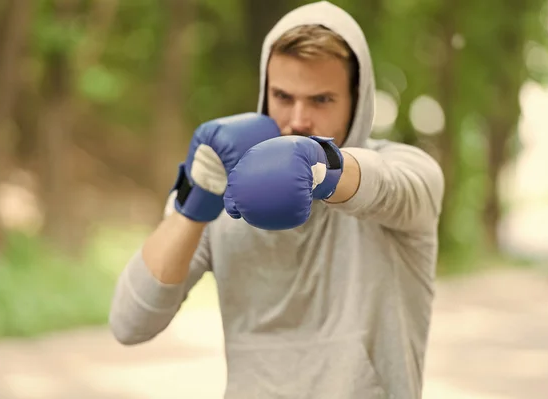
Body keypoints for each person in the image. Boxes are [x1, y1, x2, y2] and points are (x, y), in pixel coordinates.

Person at [109, 1, 444, 398]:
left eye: (321, 100)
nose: (299, 119)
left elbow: (386, 185)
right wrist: (195, 200)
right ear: (265, 93)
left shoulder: (409, 170)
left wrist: (321, 166)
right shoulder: (230, 189)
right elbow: (130, 324)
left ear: (358, 98)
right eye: (283, 96)